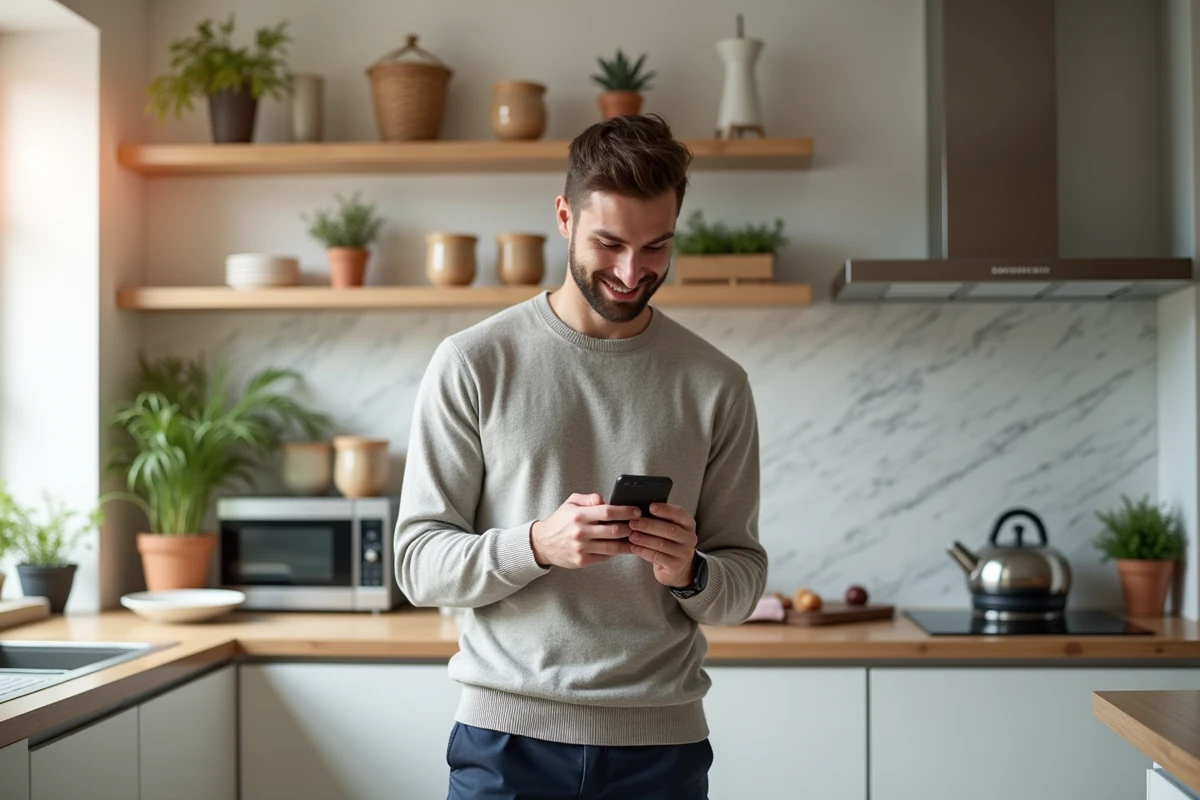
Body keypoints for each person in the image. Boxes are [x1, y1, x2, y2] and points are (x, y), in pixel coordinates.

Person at [394, 112, 768, 800]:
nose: (632, 272)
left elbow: (742, 579)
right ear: (564, 217)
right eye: (609, 243)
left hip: (661, 746)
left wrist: (690, 571)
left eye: (656, 247)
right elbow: (418, 564)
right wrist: (536, 544)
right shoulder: (475, 363)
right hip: (507, 743)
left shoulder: (716, 383)